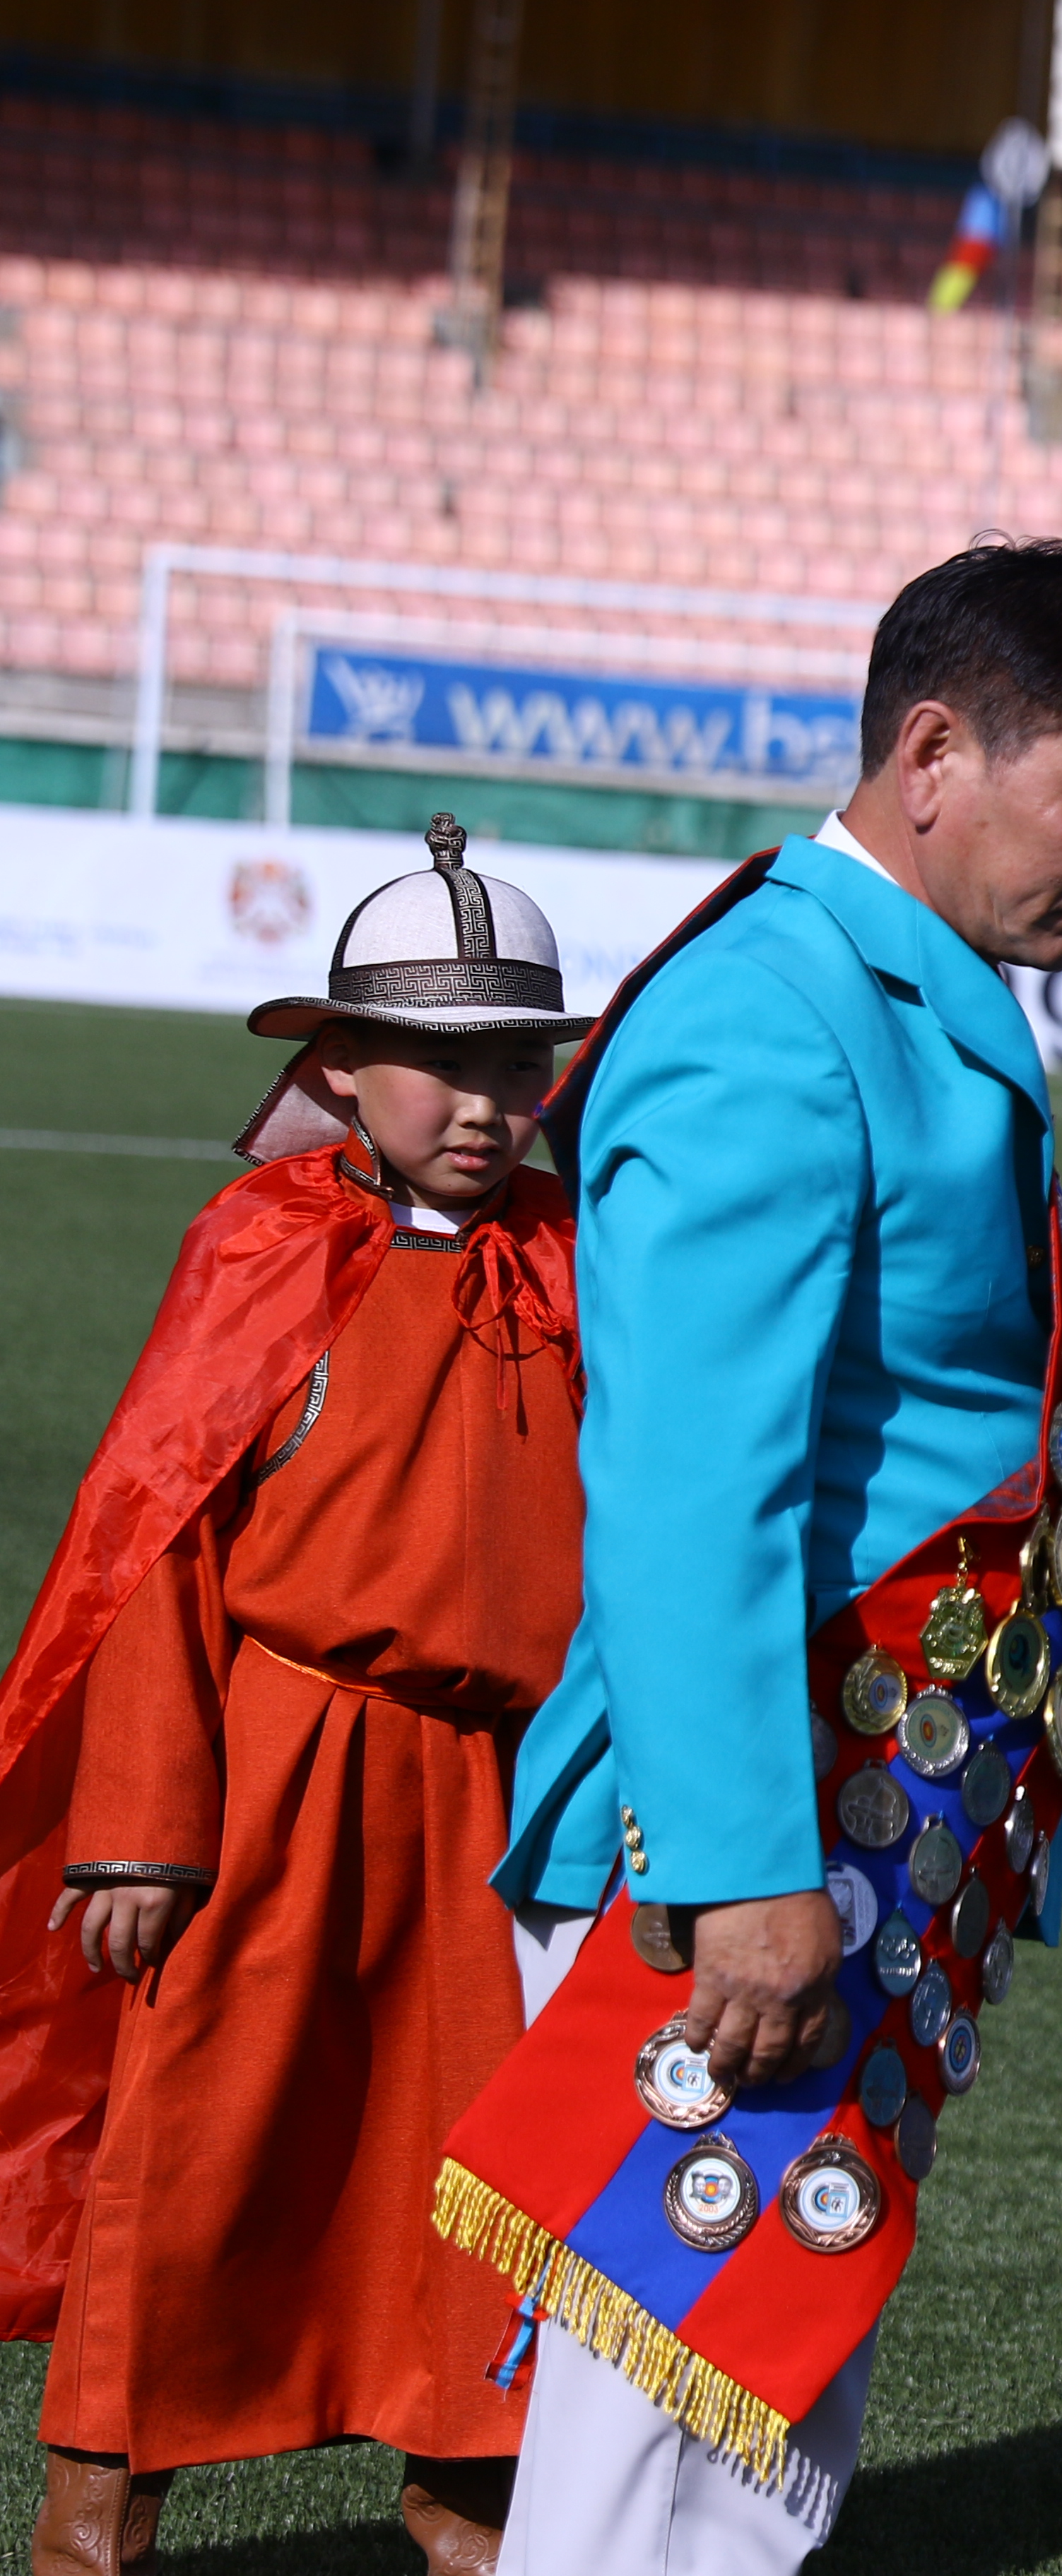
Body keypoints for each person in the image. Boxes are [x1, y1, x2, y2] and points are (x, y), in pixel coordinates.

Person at [448, 538, 1062, 2576]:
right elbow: (697, 1496)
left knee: (755, 2410)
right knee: (672, 2439)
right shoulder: (775, 1012)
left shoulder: (873, 980)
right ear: (940, 751)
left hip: (849, 1811)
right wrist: (747, 1873)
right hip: (749, 1837)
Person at [0, 819, 593, 2575]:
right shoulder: (261, 1245)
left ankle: (467, 2514)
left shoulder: (583, 1257)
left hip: (508, 1797)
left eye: (519, 1062)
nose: (484, 1101)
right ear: (340, 1066)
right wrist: (139, 1829)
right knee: (196, 2155)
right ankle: (94, 2525)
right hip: (282, 1767)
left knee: (493, 2177)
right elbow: (151, 1547)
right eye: (440, 1062)